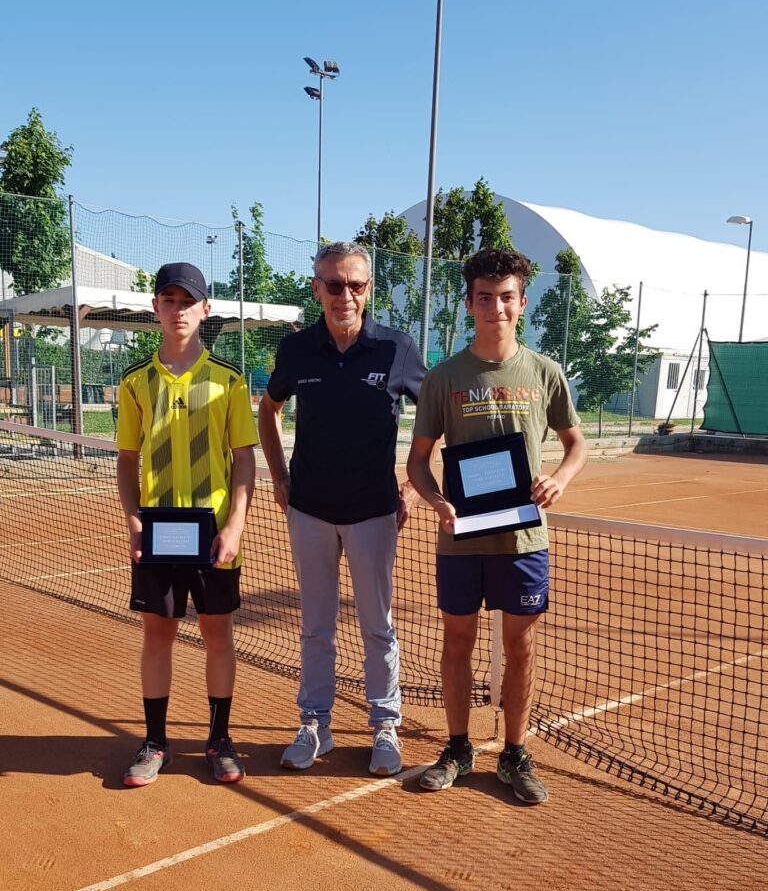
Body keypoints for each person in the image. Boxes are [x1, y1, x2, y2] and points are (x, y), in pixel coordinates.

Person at [407, 247, 587, 804]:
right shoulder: (444, 377)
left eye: (506, 297)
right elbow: (417, 461)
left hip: (523, 538)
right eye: (485, 298)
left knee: (521, 646)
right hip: (460, 539)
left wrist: (559, 479)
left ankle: (514, 752)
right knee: (456, 642)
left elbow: (575, 444)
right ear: (469, 304)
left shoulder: (545, 372)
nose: (496, 308)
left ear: (522, 302)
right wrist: (437, 502)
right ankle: (458, 748)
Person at [258, 240, 426, 774]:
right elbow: (269, 409)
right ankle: (316, 725)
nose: (344, 295)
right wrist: (280, 477)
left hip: (374, 512)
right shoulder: (296, 350)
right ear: (317, 289)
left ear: (368, 289)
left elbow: (436, 417)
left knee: (377, 626)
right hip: (309, 509)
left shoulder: (397, 348)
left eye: (355, 285)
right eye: (334, 284)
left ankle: (385, 726)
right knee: (316, 626)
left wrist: (414, 485)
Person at [116, 261, 257, 787]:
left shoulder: (229, 381)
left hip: (214, 536)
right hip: (158, 535)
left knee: (218, 634)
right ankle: (155, 741)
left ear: (205, 309)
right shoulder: (135, 382)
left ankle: (220, 739)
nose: (178, 310)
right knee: (158, 635)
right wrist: (134, 520)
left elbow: (244, 458)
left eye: (188, 301)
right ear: (155, 307)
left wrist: (235, 526)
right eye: (169, 300)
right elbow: (127, 459)